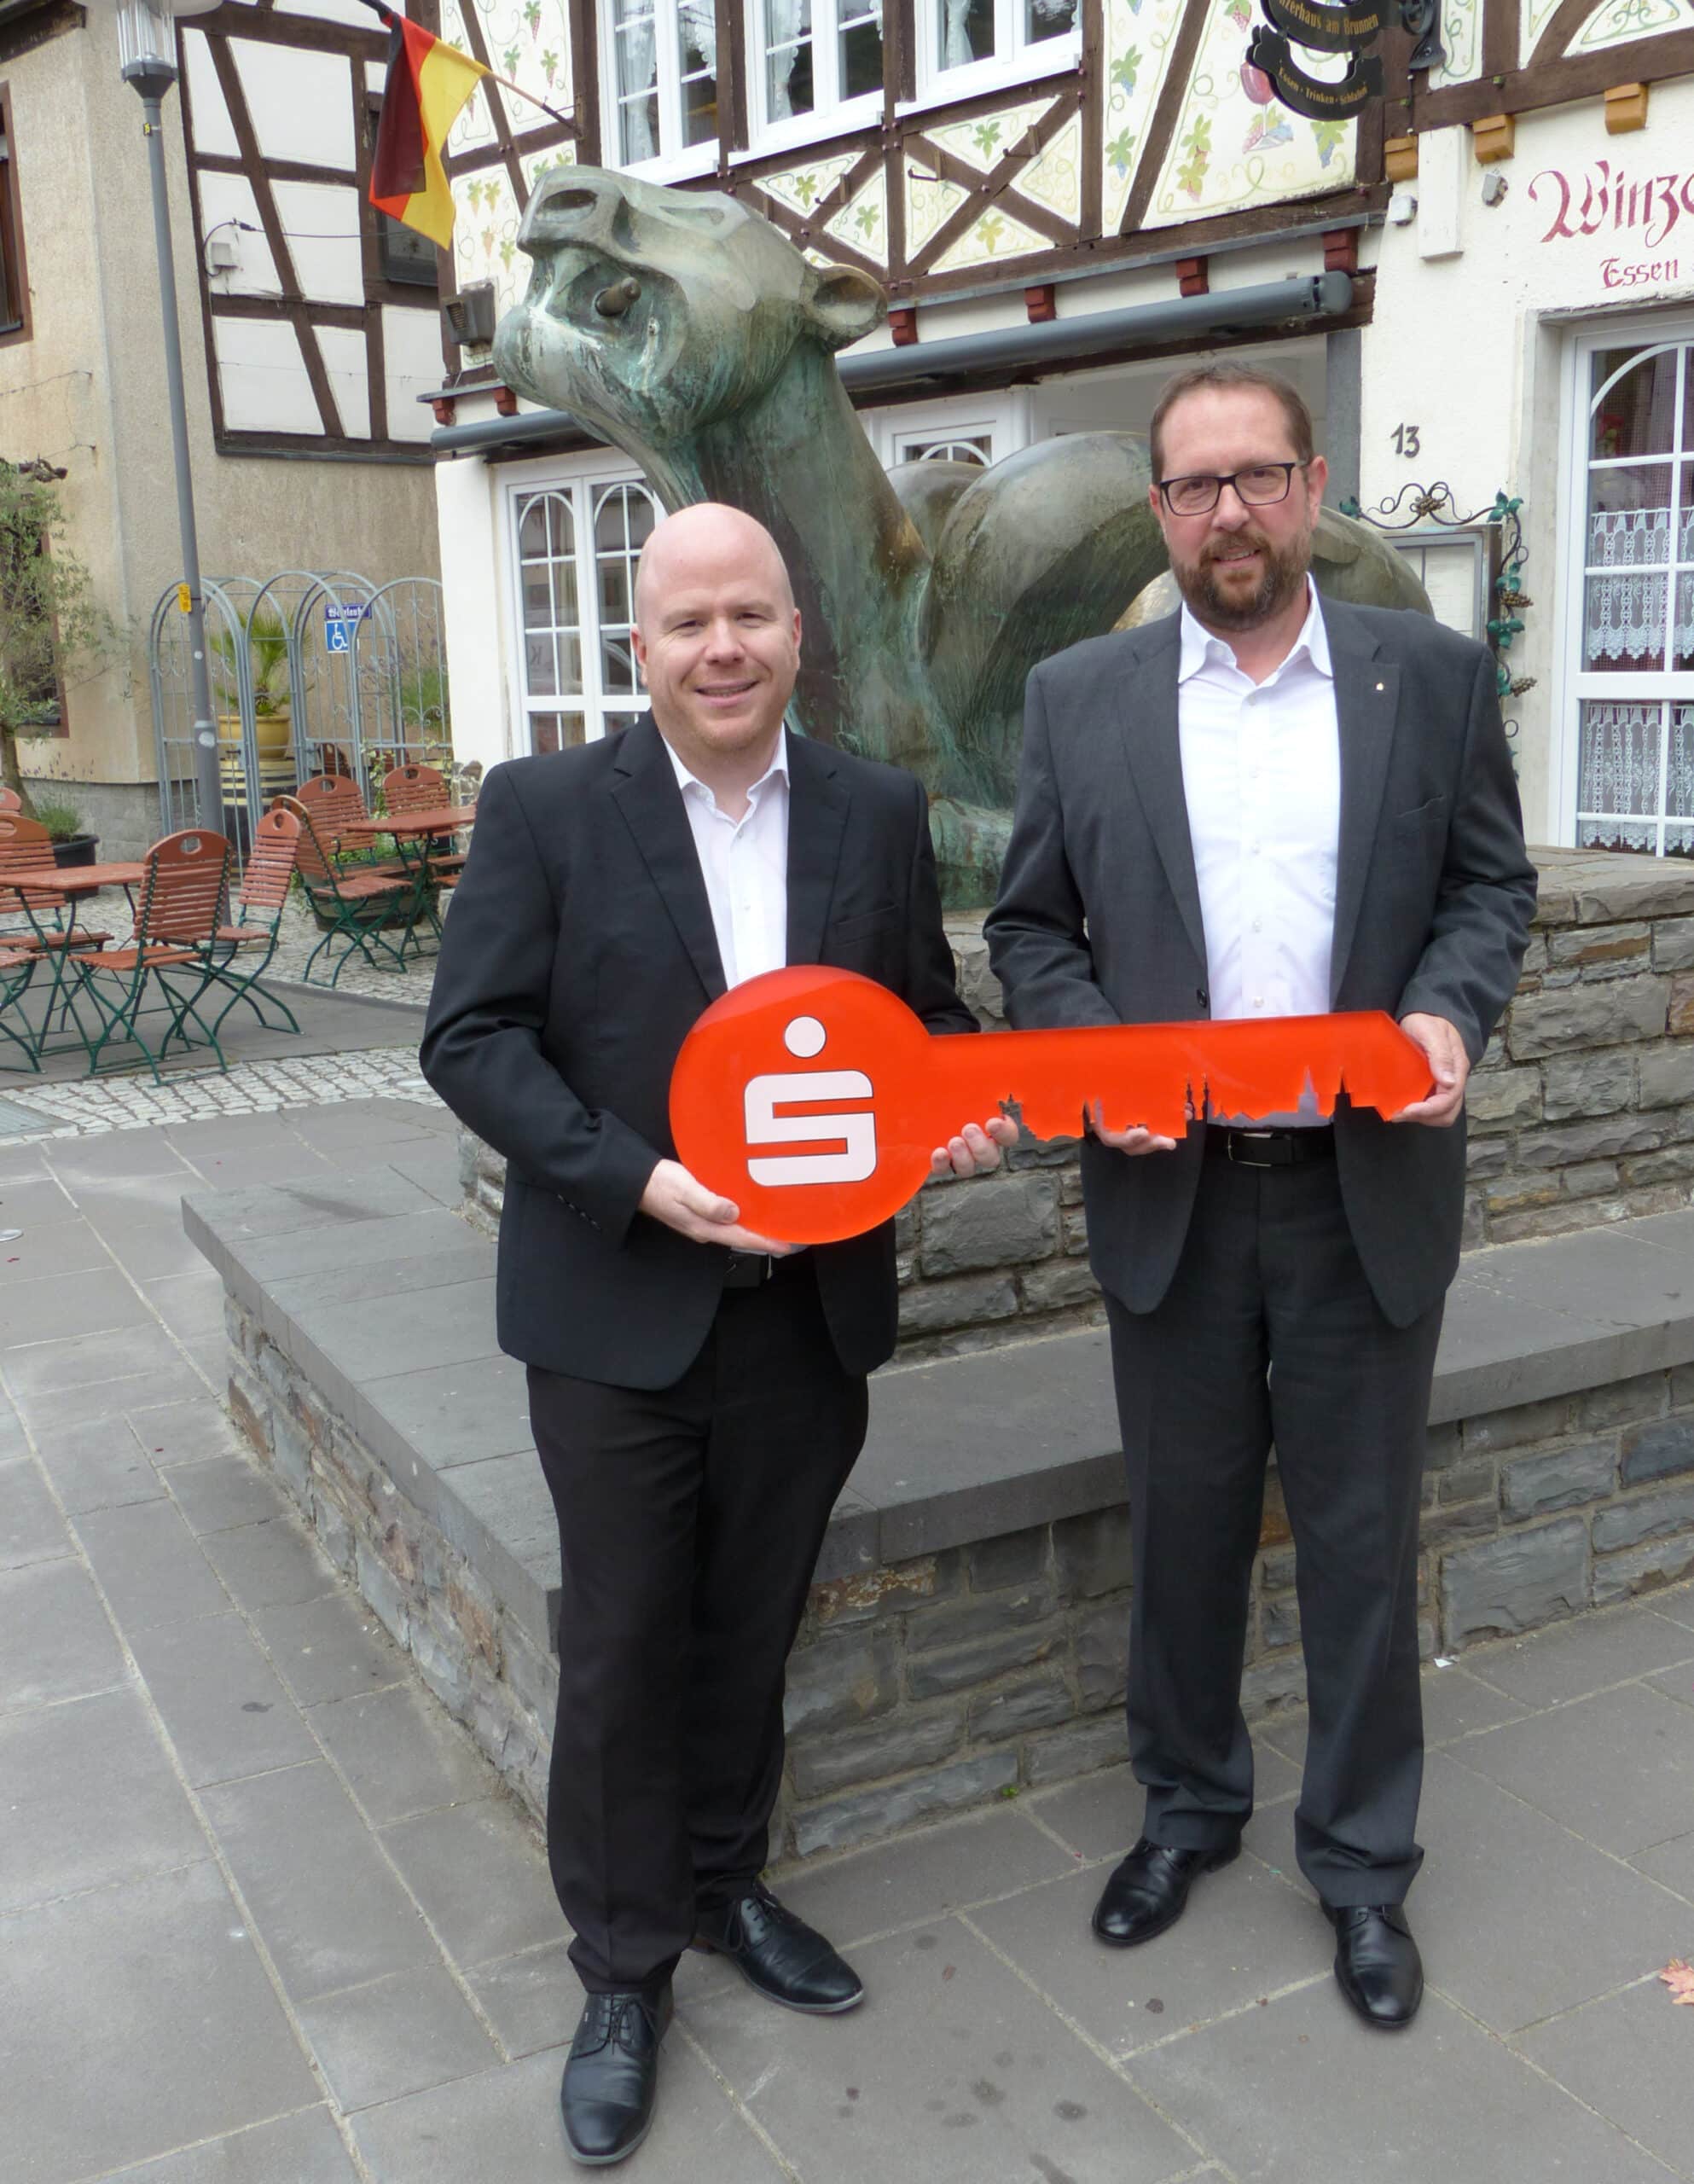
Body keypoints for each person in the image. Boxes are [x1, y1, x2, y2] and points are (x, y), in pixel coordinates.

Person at [421, 502, 1013, 2164]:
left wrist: (950, 1116)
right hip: (620, 1307)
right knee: (621, 1649)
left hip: (807, 1314)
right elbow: (471, 1038)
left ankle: (725, 1883)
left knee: (753, 1624)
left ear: (796, 629)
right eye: (689, 622)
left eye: (751, 611)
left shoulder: (875, 811)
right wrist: (641, 1181)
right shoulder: (548, 809)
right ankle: (621, 1973)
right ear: (643, 648)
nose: (724, 645)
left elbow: (926, 1023)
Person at [984, 363, 1535, 2031]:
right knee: (1188, 1530)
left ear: (1312, 487)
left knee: (1363, 1545)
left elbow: (1488, 882)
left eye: (1259, 476)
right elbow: (1030, 933)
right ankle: (1189, 1807)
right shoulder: (1078, 698)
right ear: (1160, 512)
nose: (1229, 510)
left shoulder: (1425, 680)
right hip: (1177, 1195)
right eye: (1196, 484)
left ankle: (1363, 1866)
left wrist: (1451, 1007)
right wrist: (1103, 1060)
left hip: (1364, 1187)